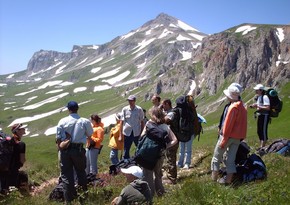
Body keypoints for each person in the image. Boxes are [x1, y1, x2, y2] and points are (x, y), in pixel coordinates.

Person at [56, 101, 93, 204]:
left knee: (66, 175)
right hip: (78, 150)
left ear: (68, 109)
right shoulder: (84, 121)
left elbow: (58, 138)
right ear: (78, 108)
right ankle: (83, 197)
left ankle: (69, 199)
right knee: (81, 172)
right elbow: (90, 134)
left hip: (65, 150)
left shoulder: (62, 121)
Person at [211, 85, 247, 185]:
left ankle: (213, 180)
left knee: (216, 158)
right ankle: (228, 181)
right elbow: (244, 124)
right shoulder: (243, 106)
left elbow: (227, 126)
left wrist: (224, 140)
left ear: (231, 96)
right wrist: (241, 138)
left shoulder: (232, 107)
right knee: (231, 160)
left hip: (228, 137)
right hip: (237, 138)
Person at [142, 107, 178, 196]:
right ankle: (160, 192)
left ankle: (150, 195)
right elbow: (175, 140)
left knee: (148, 174)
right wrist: (165, 146)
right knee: (158, 174)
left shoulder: (148, 124)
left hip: (147, 154)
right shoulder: (165, 126)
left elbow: (141, 137)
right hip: (159, 153)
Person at [0, 123, 27, 193]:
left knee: (4, 189)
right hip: (14, 171)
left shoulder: (7, 142)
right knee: (13, 189)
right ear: (17, 131)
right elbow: (22, 160)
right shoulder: (21, 144)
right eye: (22, 129)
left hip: (4, 168)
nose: (24, 129)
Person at [120, 95, 145, 159]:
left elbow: (142, 122)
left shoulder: (139, 109)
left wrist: (142, 133)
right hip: (127, 133)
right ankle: (126, 162)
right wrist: (120, 135)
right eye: (129, 101)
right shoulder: (125, 109)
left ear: (134, 101)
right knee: (126, 149)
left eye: (131, 101)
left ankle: (140, 160)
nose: (130, 102)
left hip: (137, 132)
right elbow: (121, 122)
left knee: (139, 147)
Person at [161, 98, 179, 184]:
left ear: (167, 104)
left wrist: (159, 113)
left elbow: (165, 120)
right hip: (169, 139)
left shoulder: (172, 113)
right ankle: (169, 175)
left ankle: (172, 178)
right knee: (169, 157)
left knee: (171, 158)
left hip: (173, 139)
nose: (162, 106)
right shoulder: (168, 112)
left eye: (163, 105)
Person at [176, 96, 196, 169]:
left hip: (183, 132)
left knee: (183, 149)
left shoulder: (179, 110)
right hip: (189, 132)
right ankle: (185, 163)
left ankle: (182, 163)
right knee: (187, 149)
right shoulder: (189, 110)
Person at [250, 84, 270, 149]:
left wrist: (257, 106)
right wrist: (255, 106)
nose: (256, 91)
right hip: (260, 115)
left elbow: (268, 107)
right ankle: (261, 145)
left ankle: (262, 147)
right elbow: (260, 106)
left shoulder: (265, 97)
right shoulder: (259, 97)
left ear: (261, 90)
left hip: (265, 116)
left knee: (263, 130)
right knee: (259, 131)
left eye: (257, 90)